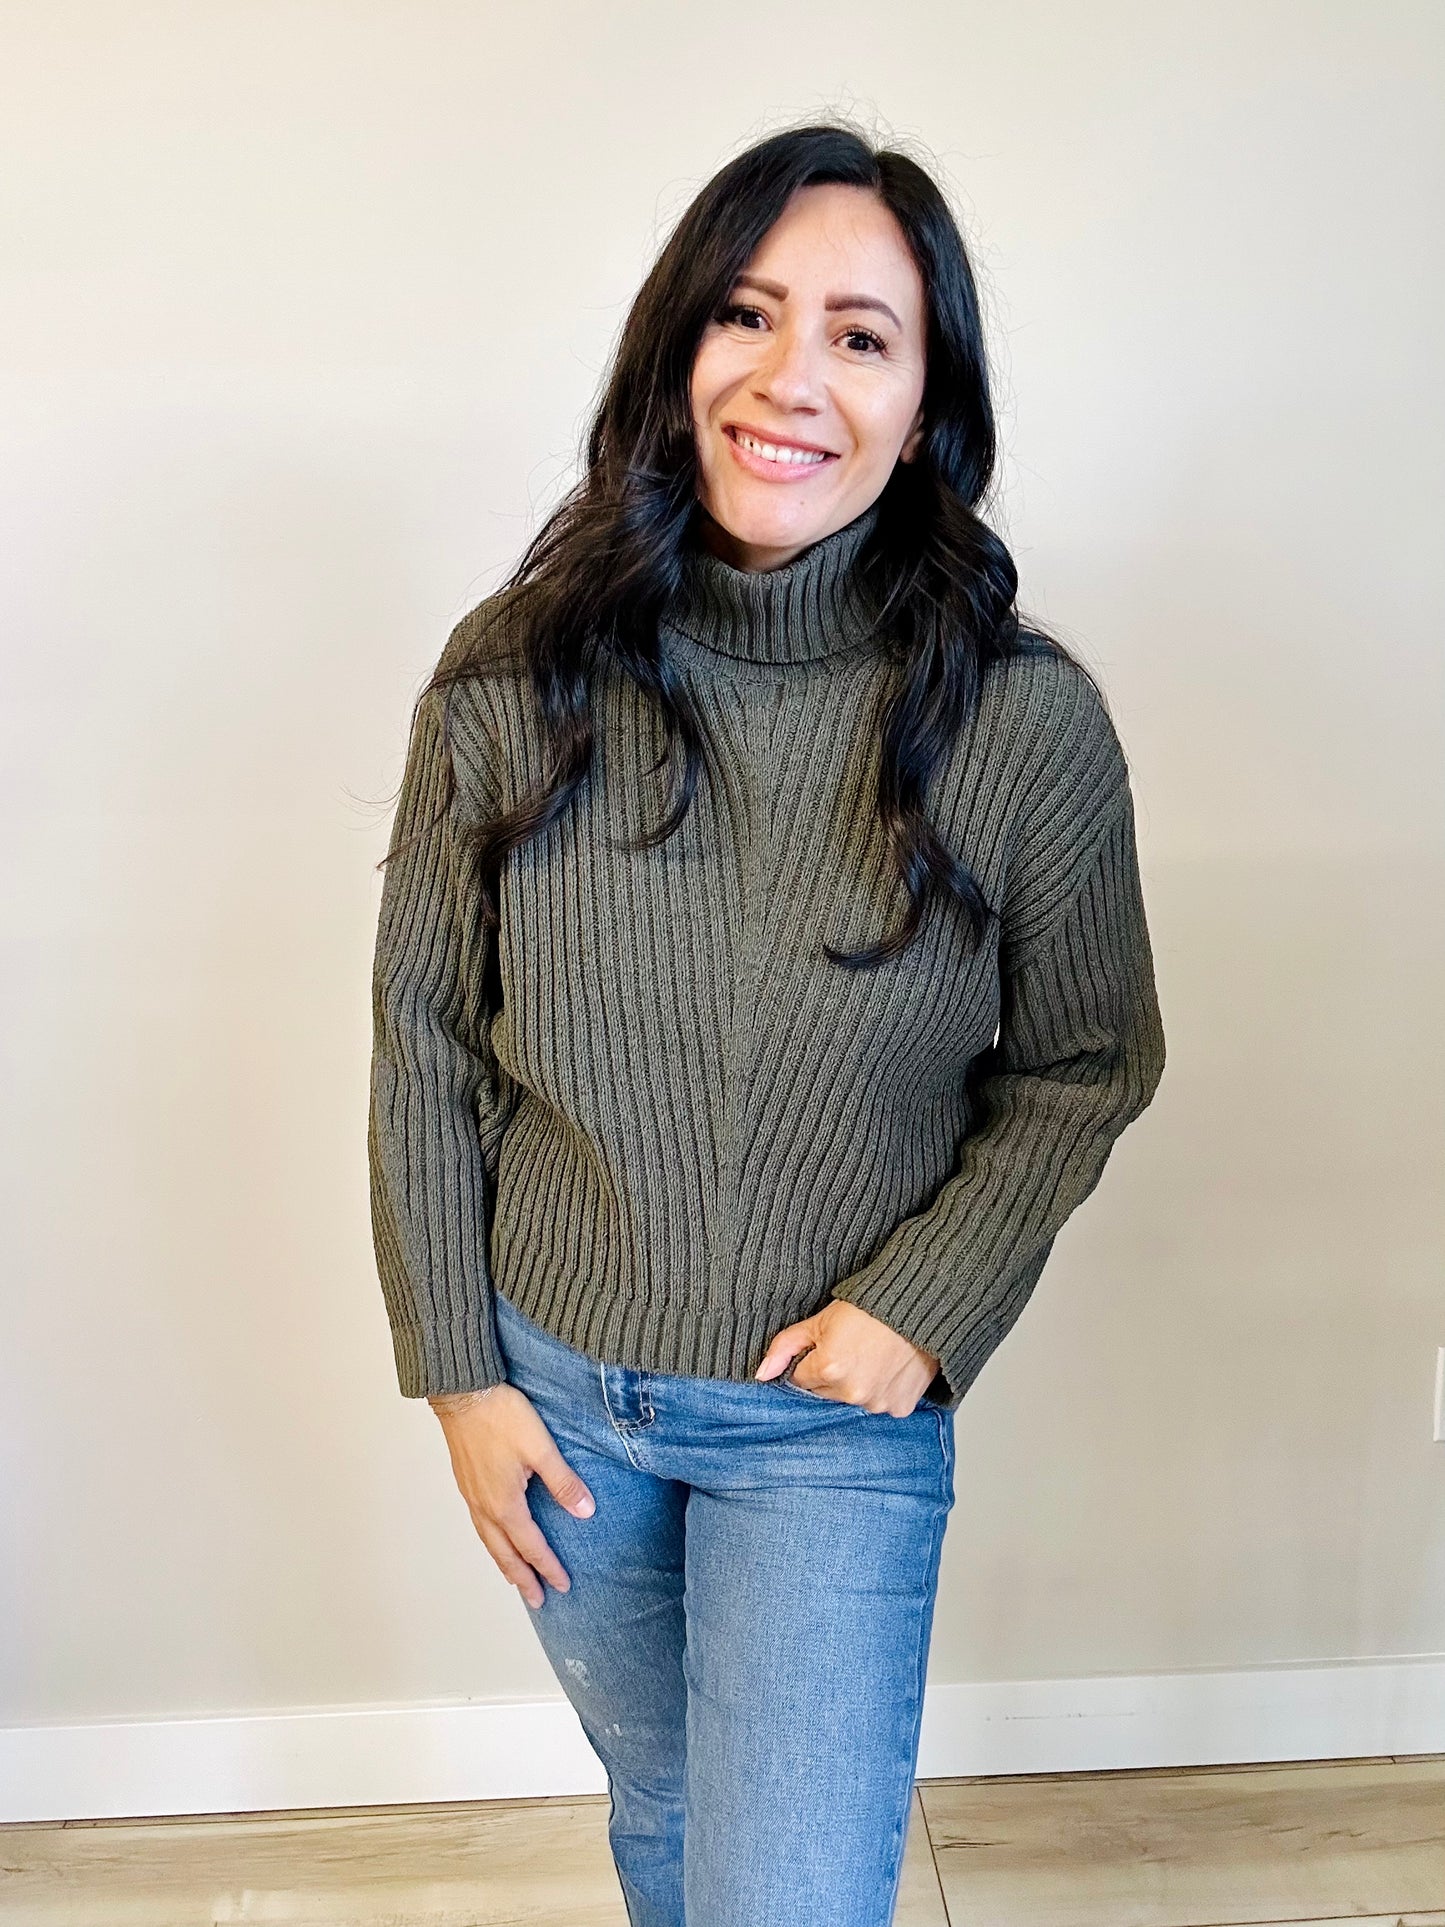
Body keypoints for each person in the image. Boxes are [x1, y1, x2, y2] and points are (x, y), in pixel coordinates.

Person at [367, 120, 1167, 1927]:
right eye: (748, 315)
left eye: (861, 335)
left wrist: (922, 1310)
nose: (792, 376)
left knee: (782, 1893)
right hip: (559, 1397)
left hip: (826, 1420)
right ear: (679, 351)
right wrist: (459, 1380)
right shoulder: (513, 677)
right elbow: (422, 1036)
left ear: (922, 398)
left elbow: (1085, 1061)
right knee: (665, 1813)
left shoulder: (1021, 724)